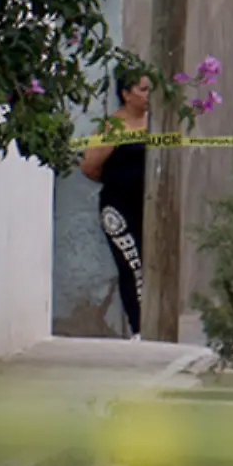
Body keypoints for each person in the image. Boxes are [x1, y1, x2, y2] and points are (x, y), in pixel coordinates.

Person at [79, 72, 152, 338]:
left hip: (149, 208)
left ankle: (152, 325)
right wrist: (118, 180)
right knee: (132, 266)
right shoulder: (114, 127)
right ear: (126, 93)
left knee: (151, 265)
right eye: (143, 89)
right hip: (119, 208)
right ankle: (139, 328)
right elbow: (88, 165)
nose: (148, 96)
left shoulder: (154, 123)